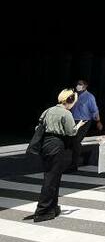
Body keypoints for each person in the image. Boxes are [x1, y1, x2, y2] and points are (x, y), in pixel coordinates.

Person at [30, 89, 80, 222]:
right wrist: (78, 126)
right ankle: (42, 211)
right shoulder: (66, 113)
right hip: (57, 144)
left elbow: (38, 127)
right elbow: (71, 132)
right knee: (51, 178)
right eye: (74, 101)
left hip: (45, 144)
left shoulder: (48, 110)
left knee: (53, 176)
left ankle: (53, 207)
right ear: (70, 101)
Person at [69, 79, 101, 171]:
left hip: (84, 121)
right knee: (70, 142)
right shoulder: (74, 95)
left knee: (76, 141)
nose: (78, 85)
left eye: (80, 84)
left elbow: (94, 110)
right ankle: (82, 153)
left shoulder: (89, 97)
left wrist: (98, 121)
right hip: (73, 120)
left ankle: (74, 164)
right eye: (77, 84)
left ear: (85, 86)